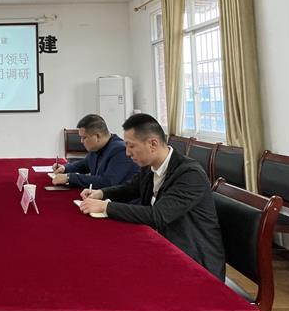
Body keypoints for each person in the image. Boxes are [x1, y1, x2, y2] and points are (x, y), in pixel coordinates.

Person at [79, 114, 225, 280]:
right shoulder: (149, 166)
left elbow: (158, 216)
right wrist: (102, 193)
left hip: (194, 262)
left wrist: (106, 206)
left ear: (153, 144)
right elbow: (130, 189)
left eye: (131, 146)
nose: (127, 153)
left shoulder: (190, 175)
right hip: (163, 244)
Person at [50, 114, 138, 188]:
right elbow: (84, 164)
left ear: (97, 136)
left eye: (84, 137)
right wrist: (65, 168)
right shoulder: (96, 148)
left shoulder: (120, 150)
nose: (81, 141)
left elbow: (107, 182)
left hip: (121, 201)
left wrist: (70, 178)